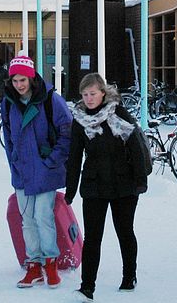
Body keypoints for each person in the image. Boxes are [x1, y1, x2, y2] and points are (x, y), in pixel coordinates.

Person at [65, 73, 148, 301]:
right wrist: (70, 190)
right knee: (92, 238)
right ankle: (87, 286)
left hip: (124, 184)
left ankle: (129, 276)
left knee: (124, 231)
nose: (89, 98)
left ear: (103, 92)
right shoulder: (80, 119)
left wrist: (141, 181)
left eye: (93, 93)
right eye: (85, 94)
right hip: (94, 185)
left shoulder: (118, 113)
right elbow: (74, 157)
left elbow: (136, 148)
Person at [1, 54, 72, 289]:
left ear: (31, 78)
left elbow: (67, 131)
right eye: (15, 81)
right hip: (22, 169)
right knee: (27, 220)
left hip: (45, 169)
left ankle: (50, 262)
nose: (19, 85)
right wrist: (13, 160)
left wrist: (52, 159)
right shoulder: (8, 101)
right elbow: (8, 134)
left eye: (23, 80)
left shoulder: (51, 99)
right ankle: (34, 264)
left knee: (43, 216)